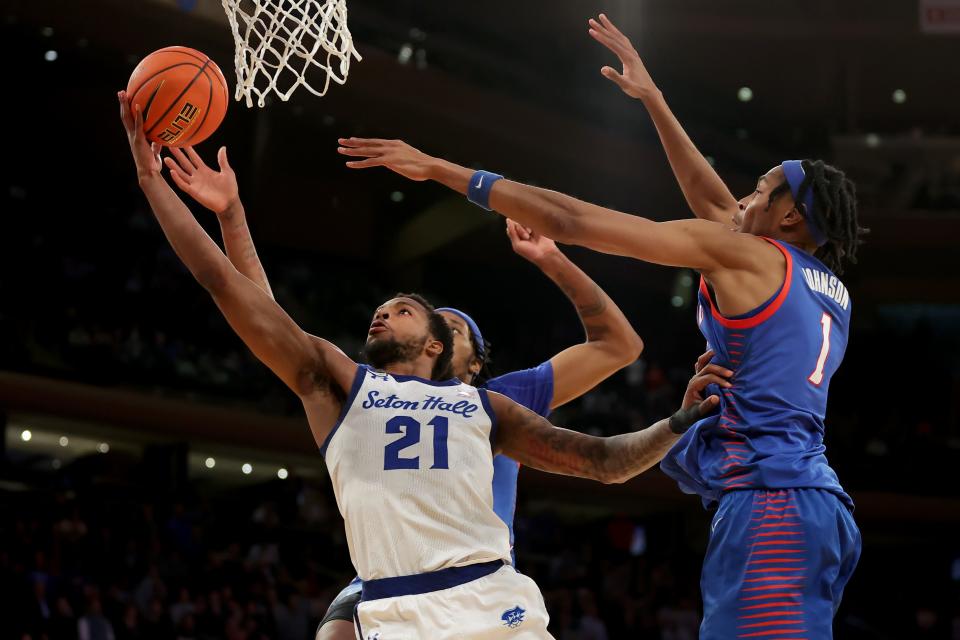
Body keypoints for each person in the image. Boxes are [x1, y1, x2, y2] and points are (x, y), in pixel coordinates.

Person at [120, 90, 723, 639]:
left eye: (404, 310)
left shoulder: (492, 399)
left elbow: (604, 460)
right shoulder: (344, 384)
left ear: (445, 346)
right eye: (380, 310)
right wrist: (160, 184)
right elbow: (242, 300)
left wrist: (679, 420)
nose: (382, 315)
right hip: (392, 601)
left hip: (493, 597)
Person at [336, 35, 867, 632]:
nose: (740, 197)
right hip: (816, 503)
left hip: (773, 498)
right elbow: (714, 201)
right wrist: (653, 100)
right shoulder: (818, 280)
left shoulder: (747, 257)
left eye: (760, 190)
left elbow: (572, 220)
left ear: (789, 216)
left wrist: (442, 170)